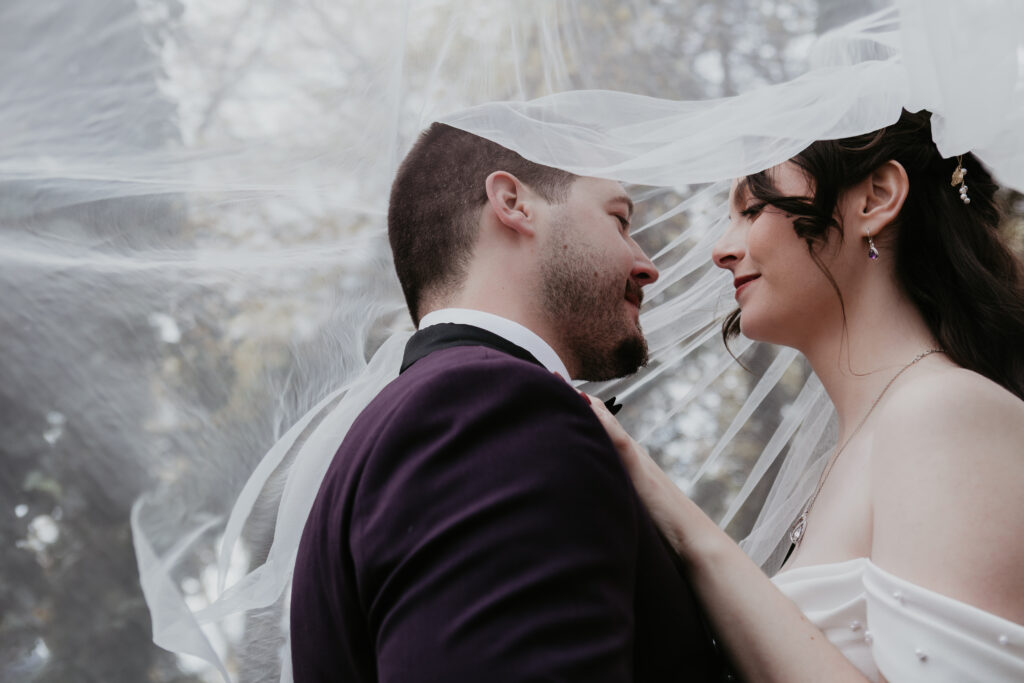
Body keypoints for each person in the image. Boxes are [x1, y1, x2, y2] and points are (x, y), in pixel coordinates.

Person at [588, 109, 1024, 681]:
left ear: (876, 198)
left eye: (751, 209)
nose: (722, 249)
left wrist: (674, 513)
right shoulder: (855, 450)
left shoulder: (945, 413)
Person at [289, 122, 729, 682]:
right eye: (619, 220)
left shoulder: (408, 423)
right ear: (514, 203)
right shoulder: (491, 412)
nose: (646, 264)